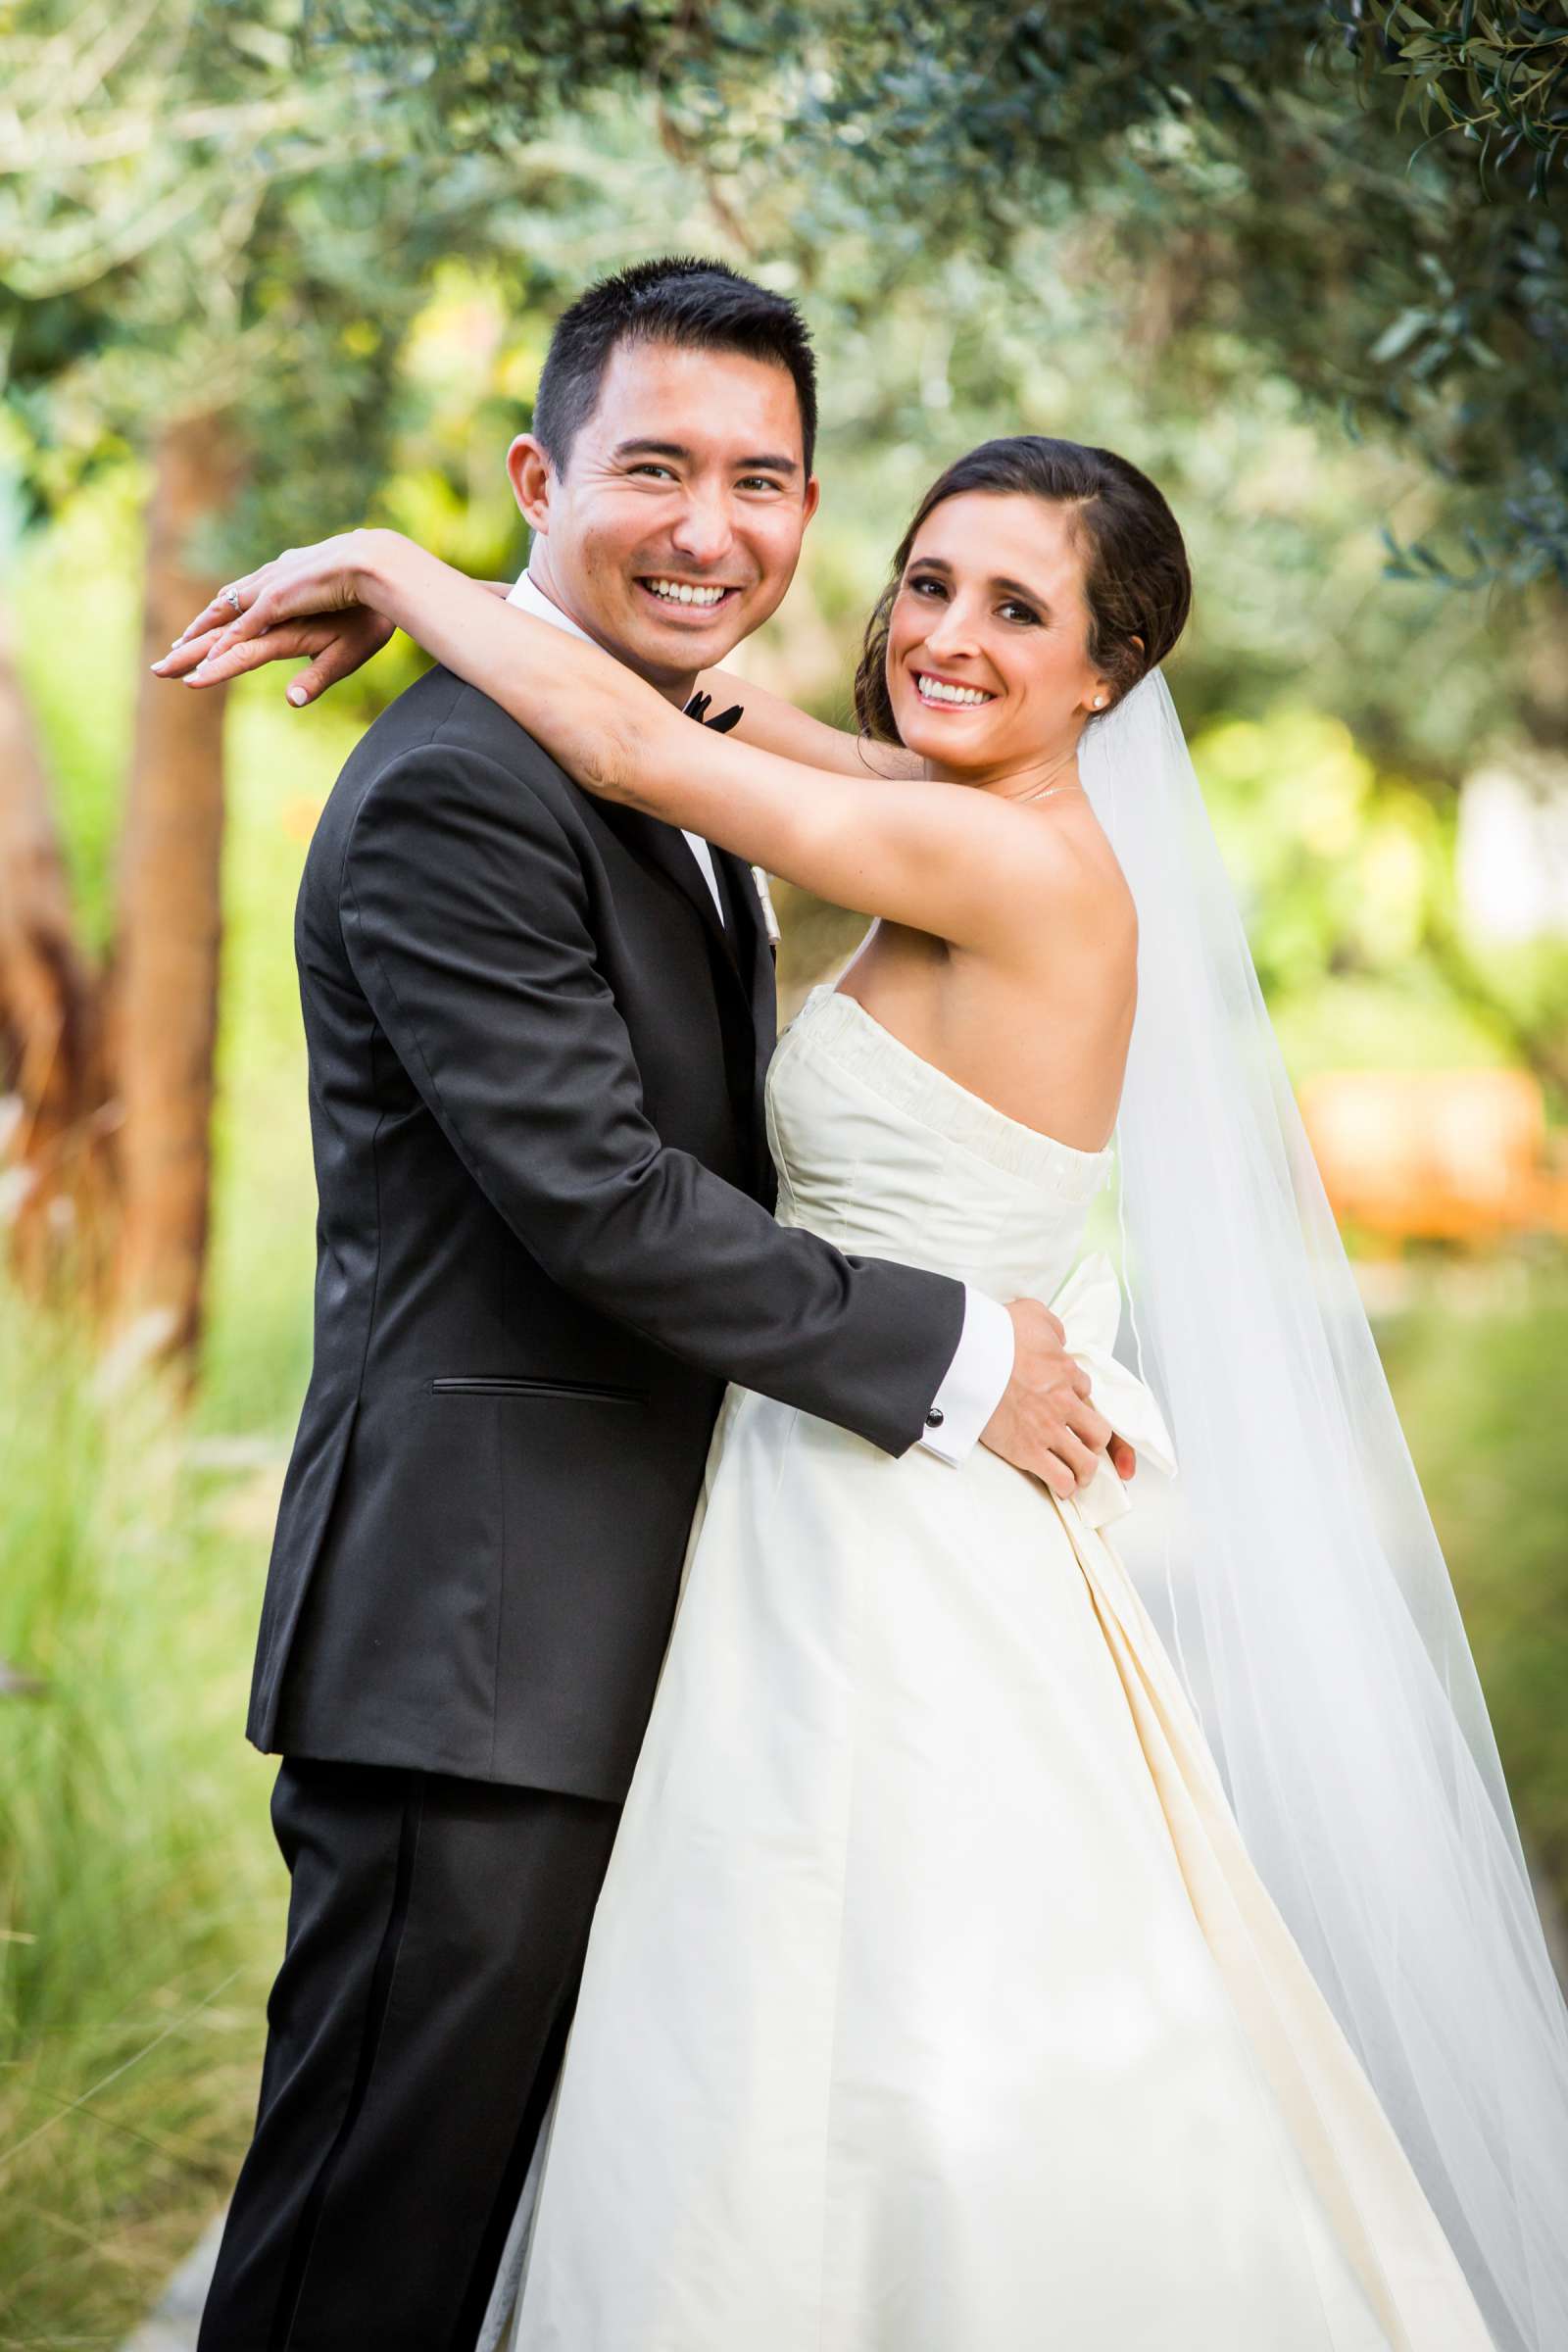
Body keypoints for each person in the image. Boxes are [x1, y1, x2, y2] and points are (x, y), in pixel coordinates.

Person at [170, 426, 1568, 2348]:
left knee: (877, 2006)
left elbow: (652, 756)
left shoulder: (996, 855)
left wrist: (397, 568)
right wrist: (551, 597)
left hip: (894, 1520)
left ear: (1107, 673)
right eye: (926, 583)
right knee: (806, 2000)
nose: (948, 634)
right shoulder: (933, 798)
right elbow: (715, 706)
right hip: (848, 1474)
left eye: (1017, 608)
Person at [167, 261, 1131, 2352]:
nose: (713, 526)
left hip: (661, 1631)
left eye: (762, 479)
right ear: (540, 474)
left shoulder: (665, 751)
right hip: (477, 1651)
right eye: (655, 469)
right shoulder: (458, 786)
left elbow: (701, 751)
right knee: (370, 2245)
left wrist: (411, 577)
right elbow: (601, 1204)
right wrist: (959, 1347)